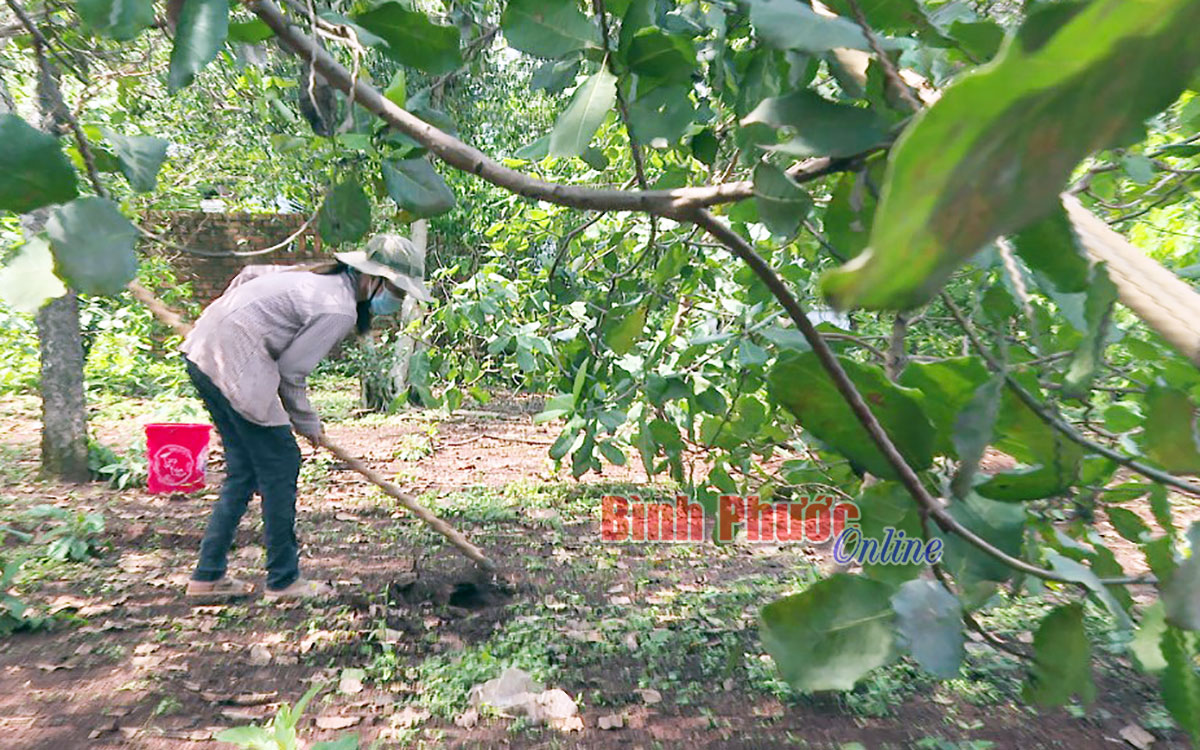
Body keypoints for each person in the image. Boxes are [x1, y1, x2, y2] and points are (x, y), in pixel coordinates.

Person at [181, 234, 431, 600]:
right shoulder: (339, 307)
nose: (396, 299)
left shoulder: (317, 279)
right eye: (396, 289)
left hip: (203, 351)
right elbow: (291, 372)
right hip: (234, 362)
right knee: (282, 461)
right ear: (372, 278)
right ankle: (283, 581)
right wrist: (308, 422)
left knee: (245, 470)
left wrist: (224, 320)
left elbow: (250, 274)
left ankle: (208, 576)